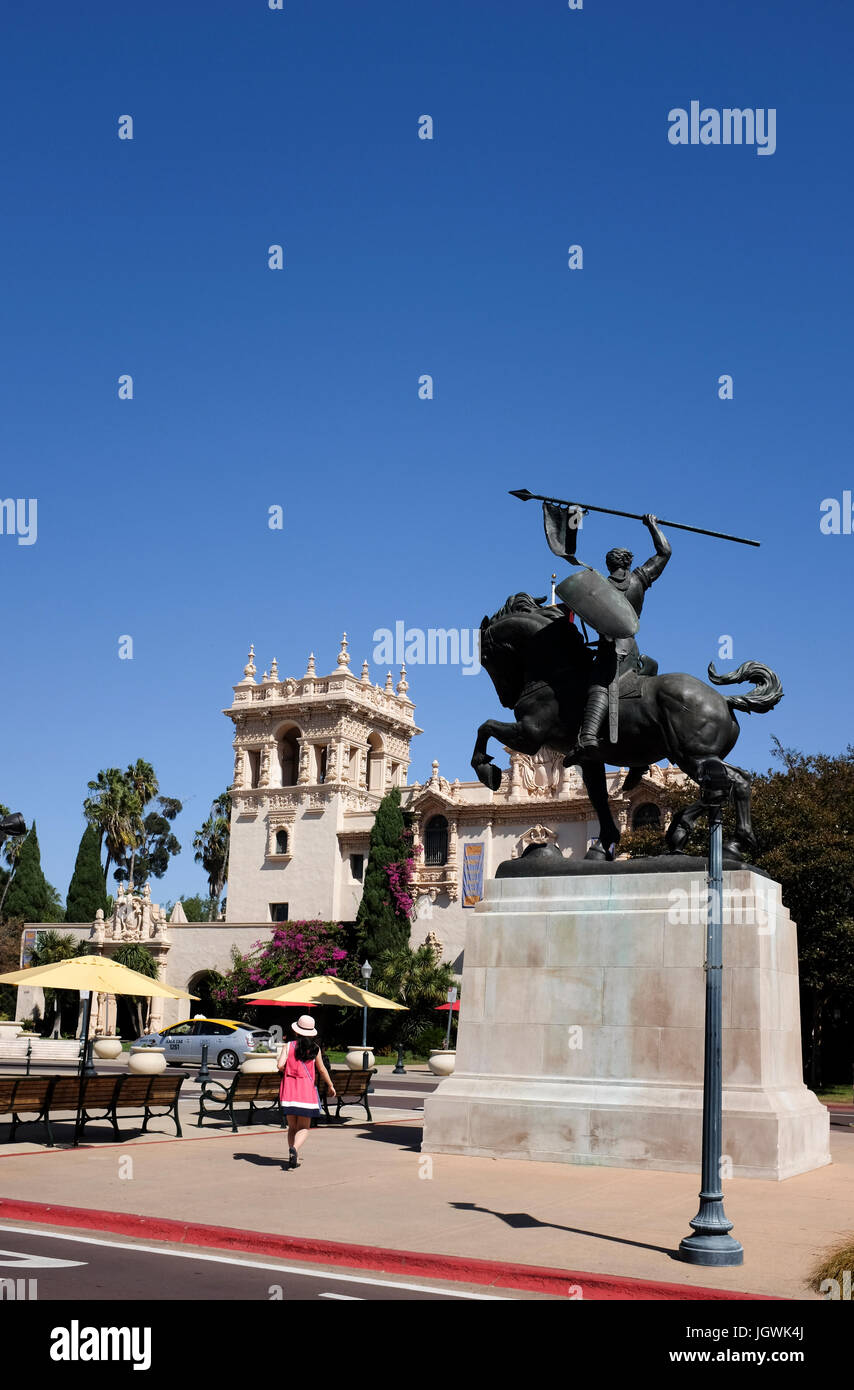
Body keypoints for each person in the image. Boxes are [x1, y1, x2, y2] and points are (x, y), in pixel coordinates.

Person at [276, 1015, 335, 1169]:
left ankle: (291, 1151)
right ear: (312, 1033)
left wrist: (288, 1069)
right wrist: (330, 1085)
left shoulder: (288, 1046)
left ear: (296, 1032)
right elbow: (322, 1070)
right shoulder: (316, 1049)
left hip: (289, 1092)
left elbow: (280, 1065)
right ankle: (294, 1149)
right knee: (304, 1127)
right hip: (306, 1093)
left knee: (292, 1127)